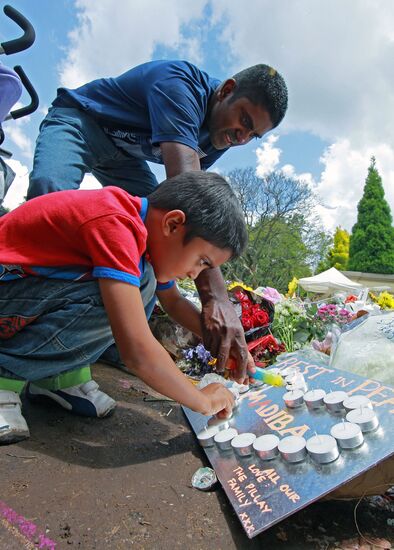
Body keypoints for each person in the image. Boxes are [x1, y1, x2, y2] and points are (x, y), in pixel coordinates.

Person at [27, 59, 288, 389]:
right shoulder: (180, 86)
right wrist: (216, 299)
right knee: (49, 194)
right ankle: (25, 324)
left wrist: (212, 334)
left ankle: (105, 339)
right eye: (243, 121)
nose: (241, 137)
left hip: (124, 159)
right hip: (82, 120)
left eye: (253, 135)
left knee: (155, 234)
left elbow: (186, 214)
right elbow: (193, 202)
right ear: (226, 90)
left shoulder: (221, 136)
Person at [0, 171, 251, 444]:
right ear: (173, 224)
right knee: (129, 289)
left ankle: (55, 376)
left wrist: (225, 343)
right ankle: (6, 374)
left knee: (143, 281)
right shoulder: (115, 222)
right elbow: (136, 351)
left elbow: (175, 303)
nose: (195, 274)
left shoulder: (143, 238)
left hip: (20, 298)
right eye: (202, 261)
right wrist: (202, 400)